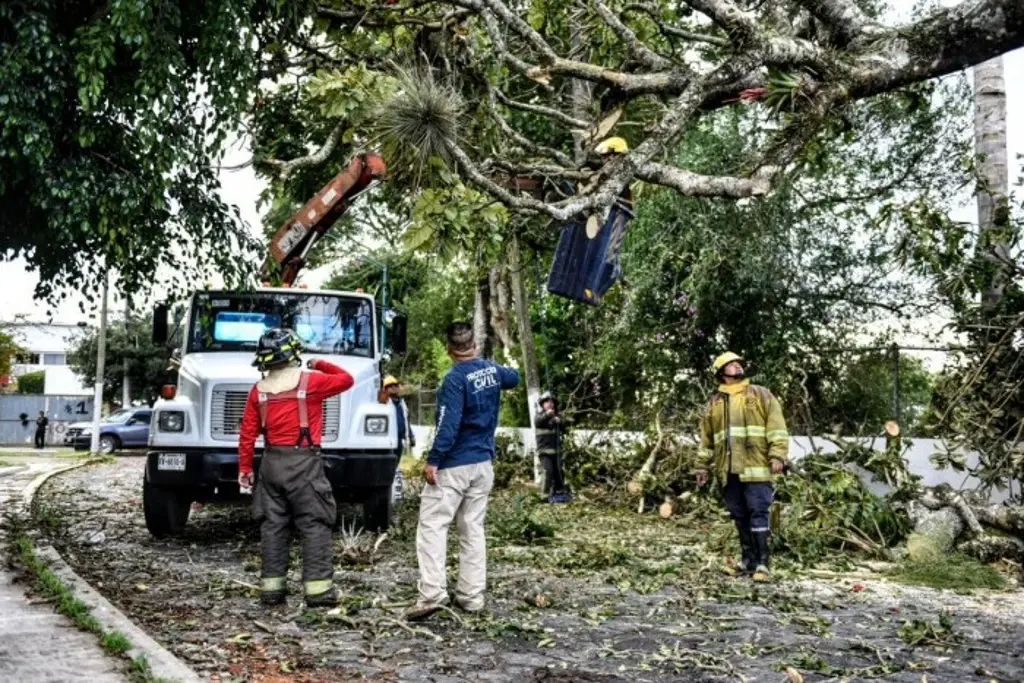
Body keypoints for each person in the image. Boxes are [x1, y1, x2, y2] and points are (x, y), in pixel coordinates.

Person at [406, 322, 519, 621]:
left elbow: (448, 424)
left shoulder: (454, 380)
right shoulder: (492, 371)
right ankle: (471, 596)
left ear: (449, 350)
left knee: (432, 525)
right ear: (475, 345)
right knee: (472, 528)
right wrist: (486, 366)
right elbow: (515, 377)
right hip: (483, 464)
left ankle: (433, 594)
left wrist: (434, 459)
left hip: (455, 464)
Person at [237, 328, 354, 607]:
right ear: (293, 353)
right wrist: (320, 363)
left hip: (271, 464)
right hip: (304, 464)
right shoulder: (310, 383)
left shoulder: (259, 391)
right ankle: (318, 592)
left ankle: (272, 591)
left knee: (273, 526)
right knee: (314, 524)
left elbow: (247, 433)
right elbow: (346, 380)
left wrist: (245, 469)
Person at [695, 352, 789, 582]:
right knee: (739, 515)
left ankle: (763, 565)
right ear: (720, 372)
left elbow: (777, 427)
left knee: (759, 512)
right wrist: (701, 467)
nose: (737, 366)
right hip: (729, 471)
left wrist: (778, 455)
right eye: (731, 364)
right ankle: (747, 561)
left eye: (738, 364)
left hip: (756, 467)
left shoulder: (760, 394)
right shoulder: (714, 403)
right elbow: (707, 439)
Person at [535, 391, 569, 502]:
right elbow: (538, 422)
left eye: (551, 402)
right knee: (547, 471)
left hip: (557, 451)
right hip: (544, 451)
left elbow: (565, 427)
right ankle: (544, 496)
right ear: (542, 404)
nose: (550, 404)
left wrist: (560, 421)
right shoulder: (539, 416)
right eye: (547, 402)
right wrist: (548, 415)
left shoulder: (557, 417)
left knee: (559, 472)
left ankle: (559, 492)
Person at [382, 375, 416, 458]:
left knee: (396, 462)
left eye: (396, 385)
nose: (394, 387)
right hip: (386, 440)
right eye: (390, 386)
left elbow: (405, 421)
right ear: (385, 389)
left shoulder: (401, 403)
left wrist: (411, 436)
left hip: (399, 439)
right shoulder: (383, 403)